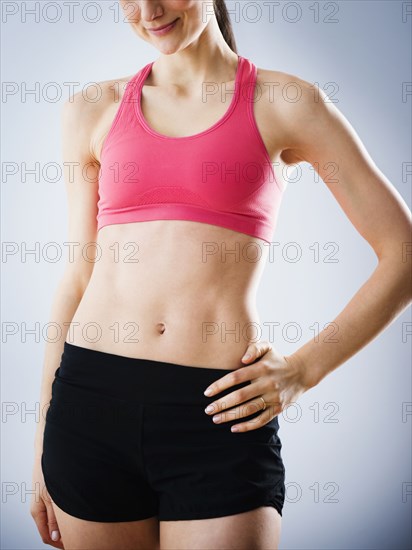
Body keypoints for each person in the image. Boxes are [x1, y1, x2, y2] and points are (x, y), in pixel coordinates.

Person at [30, 1, 412, 549]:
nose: (148, 10)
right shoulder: (91, 109)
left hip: (219, 412)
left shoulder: (285, 102)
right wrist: (42, 441)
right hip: (90, 407)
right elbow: (76, 276)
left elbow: (402, 251)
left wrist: (303, 371)